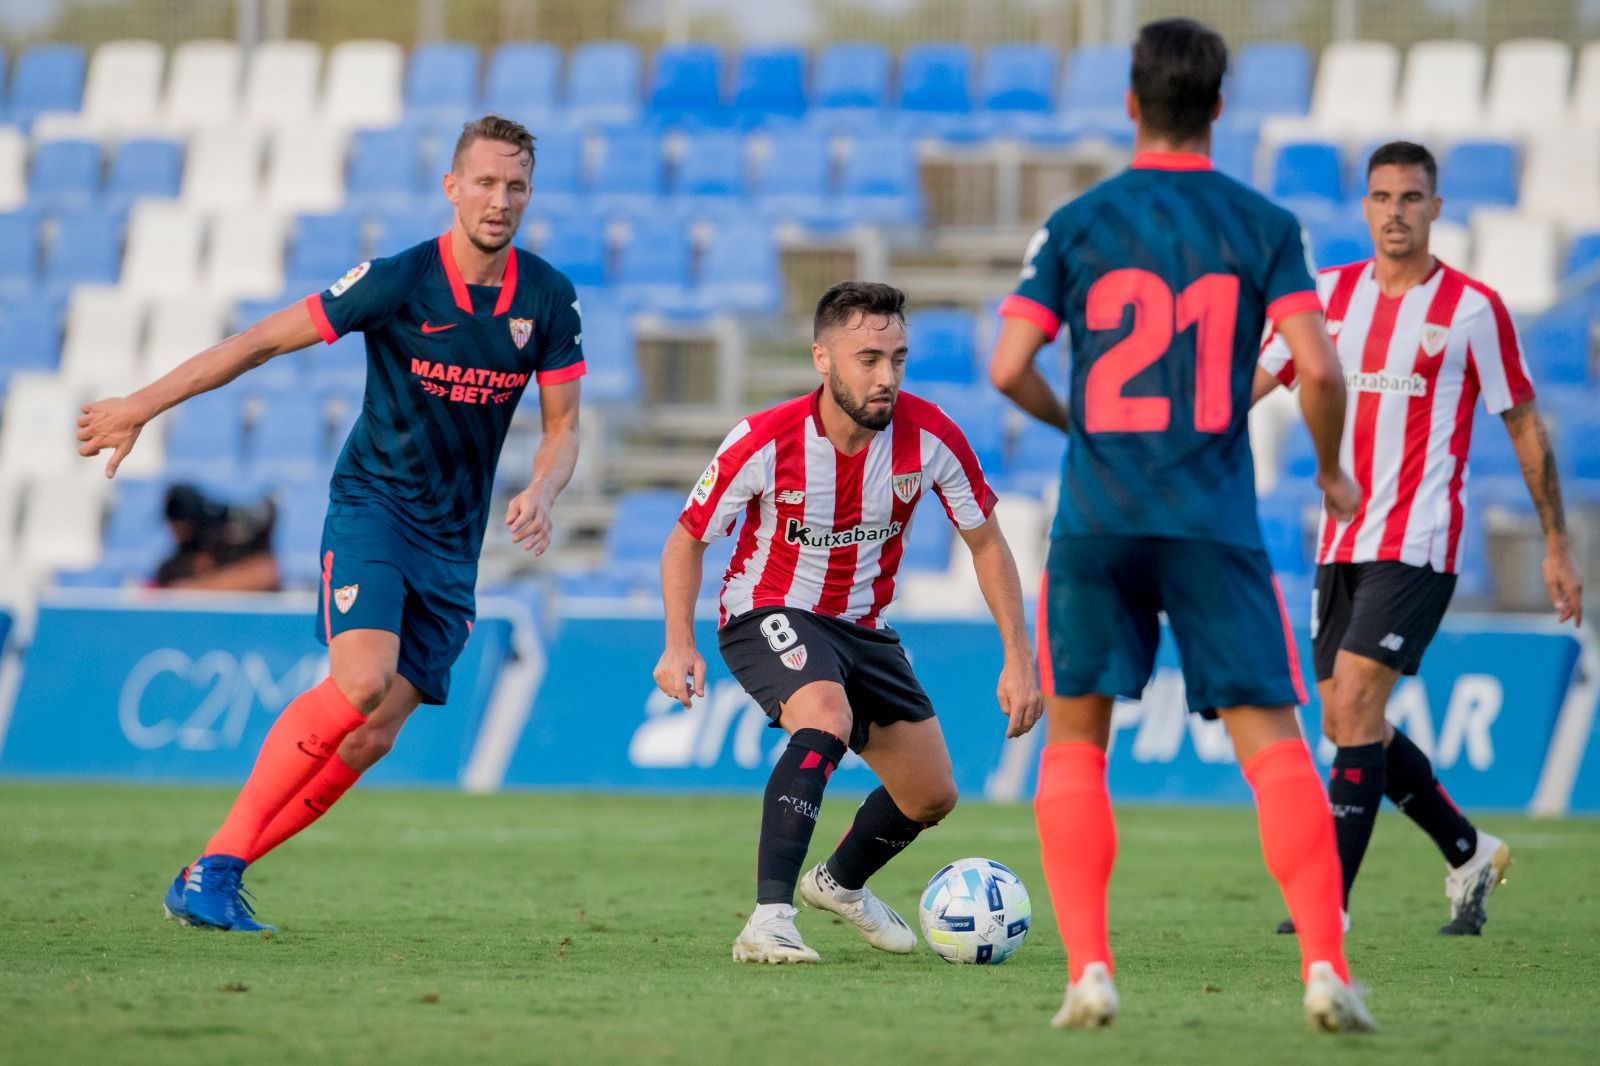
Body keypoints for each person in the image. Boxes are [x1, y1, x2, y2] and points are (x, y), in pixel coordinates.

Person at [77, 115, 585, 932]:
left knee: (373, 735)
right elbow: (259, 343)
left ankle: (213, 871)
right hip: (374, 510)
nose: (500, 199)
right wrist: (140, 405)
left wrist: (545, 490)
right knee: (359, 682)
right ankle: (212, 870)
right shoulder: (397, 280)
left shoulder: (549, 297)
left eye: (515, 185)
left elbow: (563, 428)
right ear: (451, 187)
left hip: (455, 544)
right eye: (485, 182)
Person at [989, 18, 1376, 1033]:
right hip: (1211, 515)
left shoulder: (1076, 222)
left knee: (1075, 741)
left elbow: (1005, 366)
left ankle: (1088, 970)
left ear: (1130, 104)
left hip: (1099, 513)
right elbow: (1321, 367)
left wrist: (1081, 426)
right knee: (1275, 750)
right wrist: (1331, 469)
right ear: (1217, 105)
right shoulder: (1260, 223)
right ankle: (1325, 967)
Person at [654, 281, 1043, 965]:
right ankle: (769, 918)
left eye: (897, 358)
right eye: (867, 358)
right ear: (823, 360)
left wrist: (1019, 656)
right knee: (824, 717)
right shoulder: (766, 439)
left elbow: (986, 540)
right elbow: (688, 537)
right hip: (766, 609)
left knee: (930, 795)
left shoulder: (932, 437)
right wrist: (678, 642)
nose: (885, 375)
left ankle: (837, 883)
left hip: (863, 628)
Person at [1255, 140, 1583, 937]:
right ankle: (1467, 850)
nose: (1396, 211)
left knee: (1362, 698)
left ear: (1437, 208)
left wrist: (1555, 544)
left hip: (1420, 541)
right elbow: (1250, 384)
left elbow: (1525, 427)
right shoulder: (1327, 298)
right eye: (1382, 197)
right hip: (1341, 543)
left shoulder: (1473, 309)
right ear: (1364, 207)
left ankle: (1324, 901)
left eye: (1411, 197)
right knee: (1344, 722)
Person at [154, 483, 280, 592]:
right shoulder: (174, 566)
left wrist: (197, 589)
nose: (174, 530)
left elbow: (266, 574)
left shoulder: (230, 550)